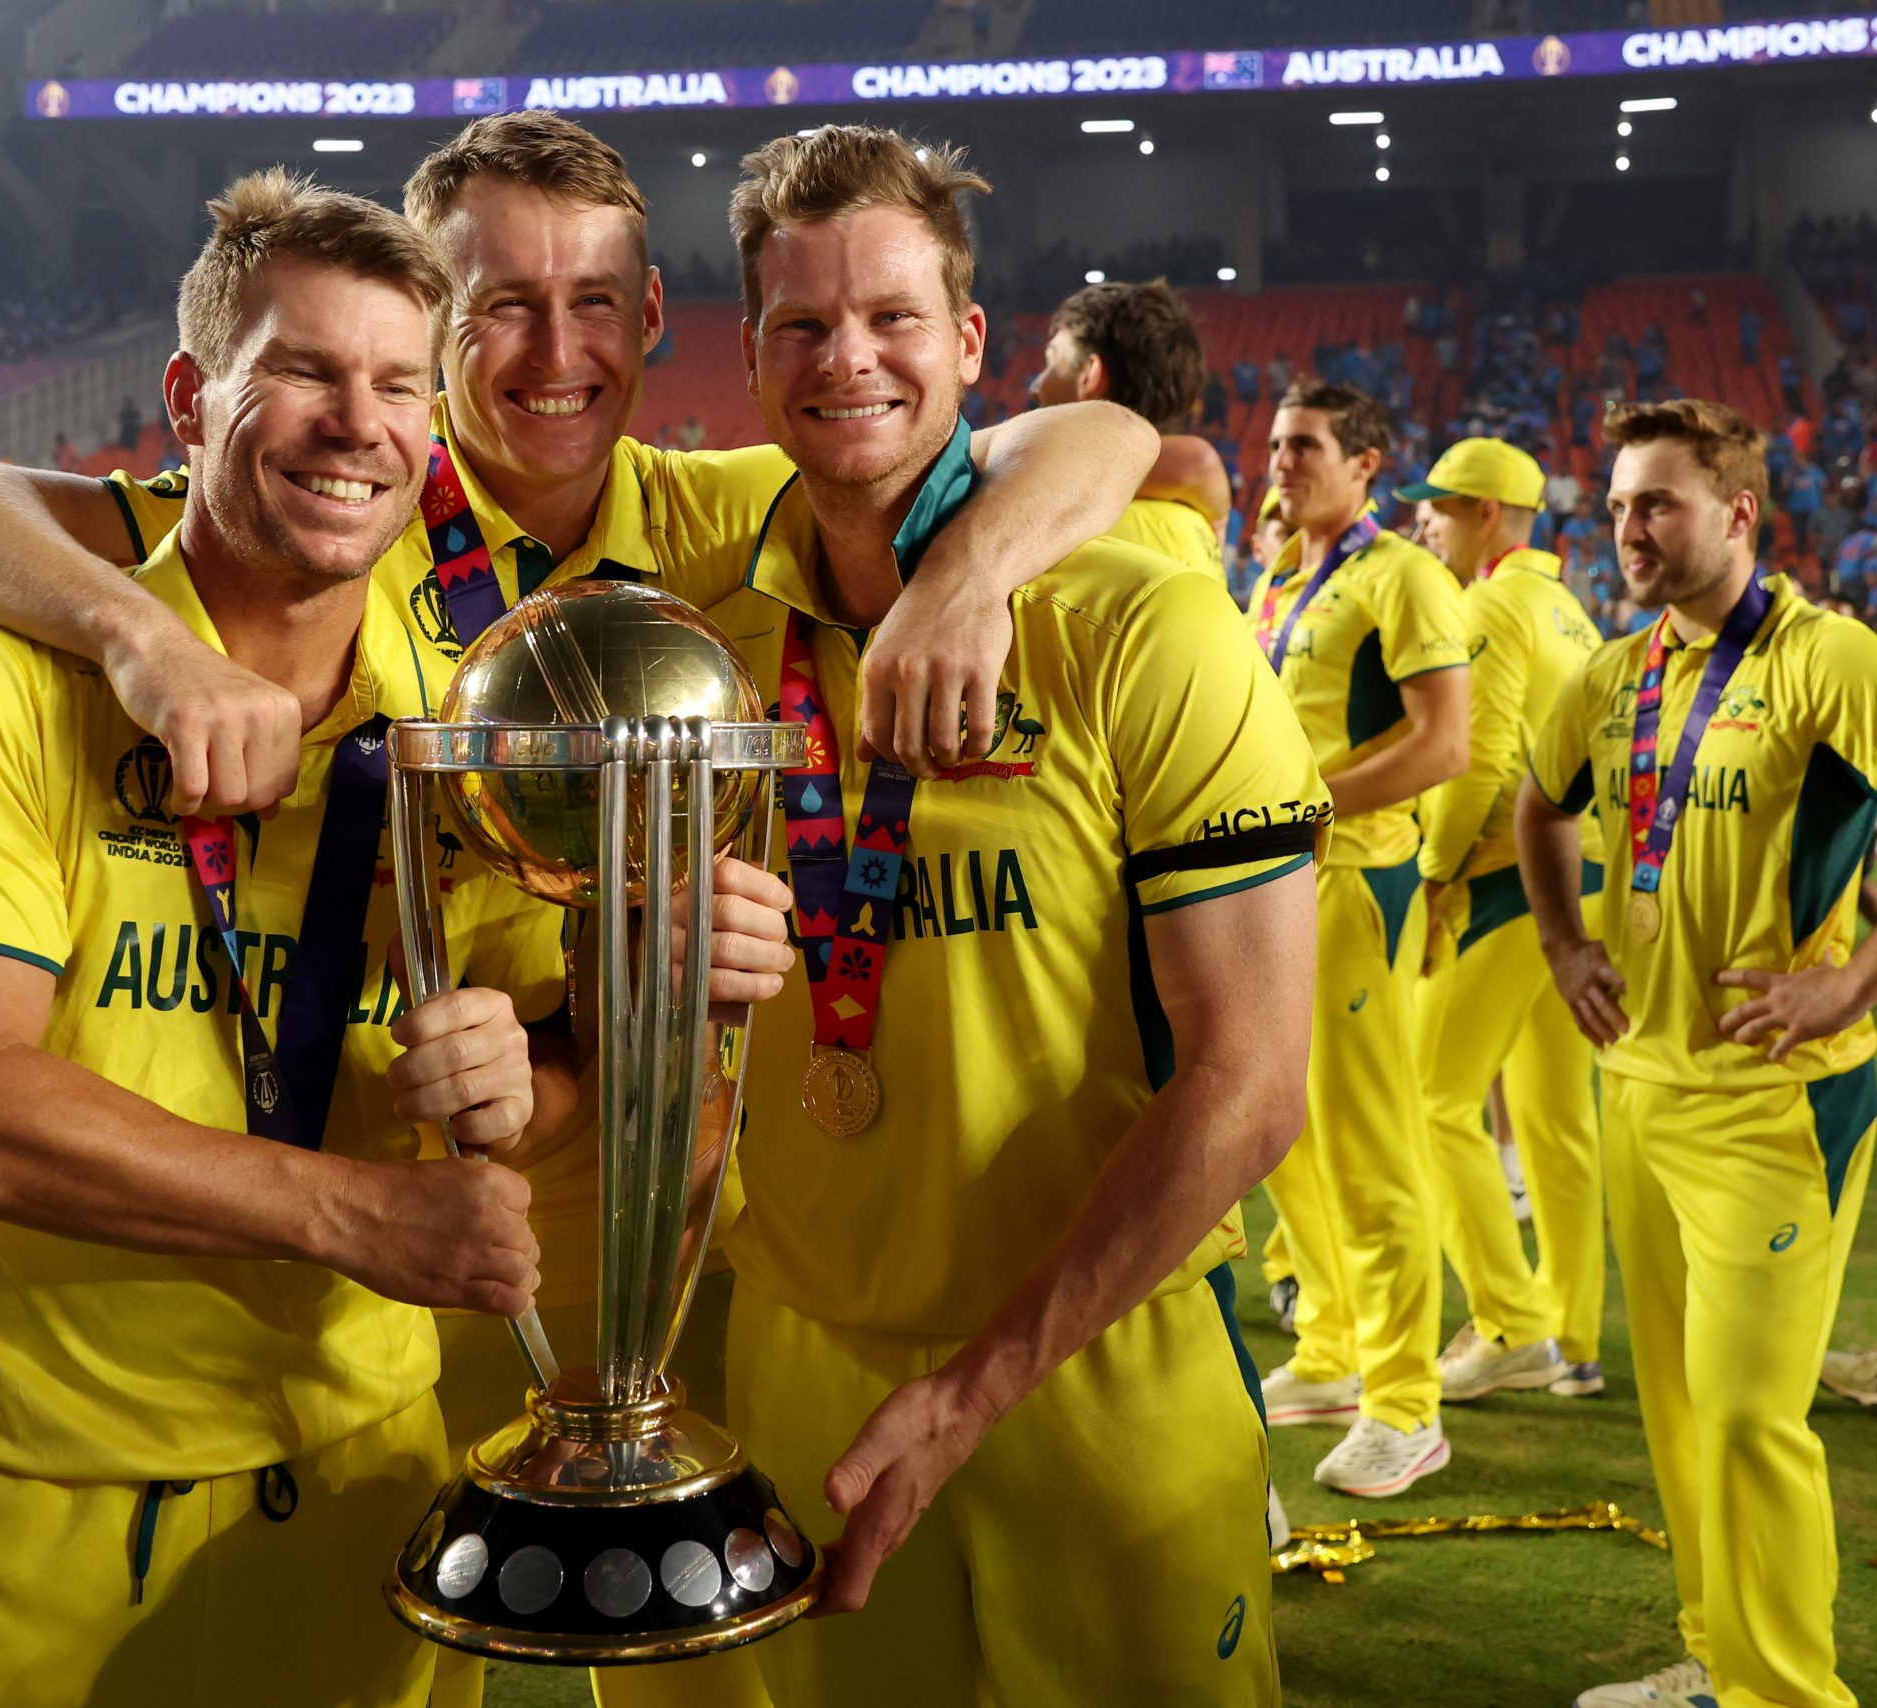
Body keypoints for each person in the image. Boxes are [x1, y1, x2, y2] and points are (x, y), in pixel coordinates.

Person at [0, 109, 1150, 1708]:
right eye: (497, 307)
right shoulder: (340, 516)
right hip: (390, 1272)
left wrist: (962, 584)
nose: (554, 347)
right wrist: (145, 642)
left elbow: (1097, 443)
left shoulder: (709, 514)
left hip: (643, 1229)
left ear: (656, 323)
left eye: (595, 298)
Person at [0, 168, 791, 1708]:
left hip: (366, 1485)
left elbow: (544, 1069)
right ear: (189, 399)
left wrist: (607, 1025)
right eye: (303, 373)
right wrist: (353, 1214)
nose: (359, 423)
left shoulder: (470, 722)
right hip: (41, 1487)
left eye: (399, 384)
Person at [701, 123, 1322, 1708]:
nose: (851, 359)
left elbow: (1251, 1084)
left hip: (1097, 1377)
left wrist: (973, 1393)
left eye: (895, 317)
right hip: (800, 1384)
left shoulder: (1148, 623)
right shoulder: (696, 643)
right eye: (802, 324)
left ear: (972, 343)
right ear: (751, 351)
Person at [1522, 397, 1877, 1708]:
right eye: (1619, 502)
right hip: (1638, 1082)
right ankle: (1718, 1664)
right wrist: (1565, 945)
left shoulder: (1834, 659)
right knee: (1679, 1421)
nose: (1627, 526)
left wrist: (1850, 977)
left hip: (1775, 1100)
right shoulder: (1614, 676)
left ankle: (1795, 1699)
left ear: (1740, 512)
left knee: (1746, 1418)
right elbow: (1536, 798)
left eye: (1658, 502)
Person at [1247, 378, 1471, 1497]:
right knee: (1289, 1139)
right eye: (1278, 443)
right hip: (1280, 880)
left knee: (1371, 1145)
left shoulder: (1403, 577)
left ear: (1367, 461)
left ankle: (1406, 1404)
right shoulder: (1284, 576)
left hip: (1355, 883)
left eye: (1306, 445)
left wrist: (1308, 804)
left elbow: (1443, 745)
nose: (1281, 461)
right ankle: (1333, 1351)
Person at [1403, 437, 1607, 1402]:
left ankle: (1508, 1324)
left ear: (1485, 513)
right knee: (1557, 1120)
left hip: (1505, 880)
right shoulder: (1573, 611)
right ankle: (1572, 1335)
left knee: (1433, 1100)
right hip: (1588, 881)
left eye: (1439, 508)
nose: (1424, 523)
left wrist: (1437, 873)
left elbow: (1477, 763)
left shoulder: (1488, 604)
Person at [1026, 277, 1230, 580]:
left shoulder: (1050, 535)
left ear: (1090, 376)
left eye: (1052, 361)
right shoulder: (1197, 522)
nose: (1036, 386)